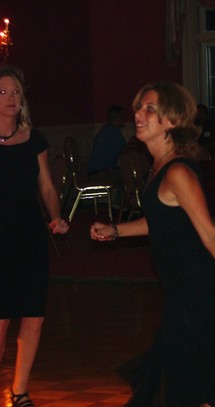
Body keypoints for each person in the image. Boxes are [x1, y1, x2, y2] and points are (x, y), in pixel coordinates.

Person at [90, 81, 215, 407]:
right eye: (139, 108)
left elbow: (210, 234)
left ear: (172, 121)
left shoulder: (177, 171)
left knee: (188, 385)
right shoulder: (161, 166)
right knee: (188, 384)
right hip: (183, 293)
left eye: (150, 109)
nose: (139, 114)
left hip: (202, 293)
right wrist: (115, 230)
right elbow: (162, 221)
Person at [0, 65, 70, 407]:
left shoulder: (34, 139)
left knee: (33, 315)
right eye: (2, 92)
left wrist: (55, 217)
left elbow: (46, 185)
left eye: (16, 92)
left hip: (29, 235)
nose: (11, 98)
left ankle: (20, 390)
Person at [87, 105, 127, 185]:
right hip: (102, 173)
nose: (124, 119)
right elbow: (127, 150)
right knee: (129, 176)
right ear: (117, 117)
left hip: (95, 172)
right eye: (123, 117)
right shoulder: (113, 132)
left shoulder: (106, 129)